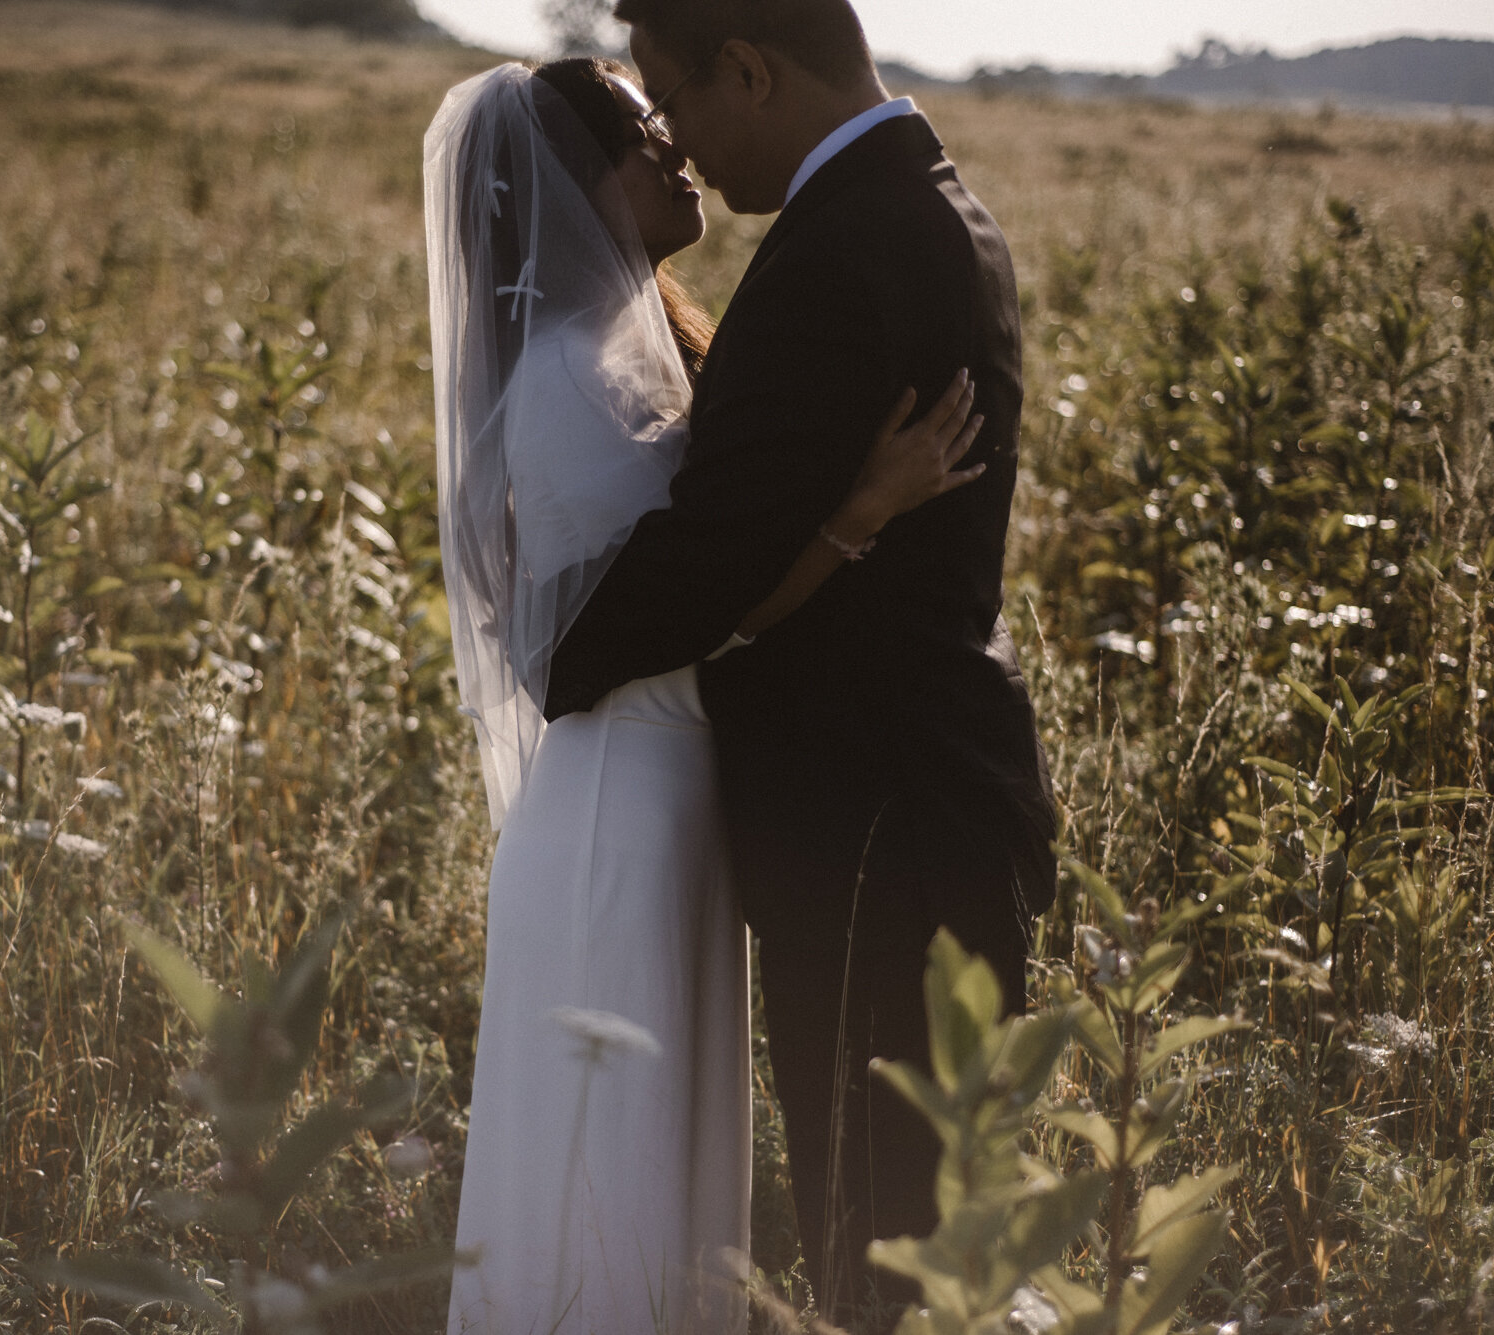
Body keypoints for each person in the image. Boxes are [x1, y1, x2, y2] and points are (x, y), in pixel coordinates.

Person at [425, 57, 988, 1335]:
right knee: (603, 1175)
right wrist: (855, 515)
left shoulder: (630, 346)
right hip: (620, 804)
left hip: (664, 796)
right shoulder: (573, 377)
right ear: (571, 180)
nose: (671, 143)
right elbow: (673, 611)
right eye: (638, 130)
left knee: (647, 1164)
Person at [540, 0, 1059, 1321]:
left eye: (680, 102)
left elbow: (709, 555)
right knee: (915, 1230)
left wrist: (557, 638)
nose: (685, 147)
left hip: (877, 840)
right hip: (929, 809)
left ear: (751, 71)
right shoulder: (930, 205)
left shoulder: (841, 254)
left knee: (879, 1241)